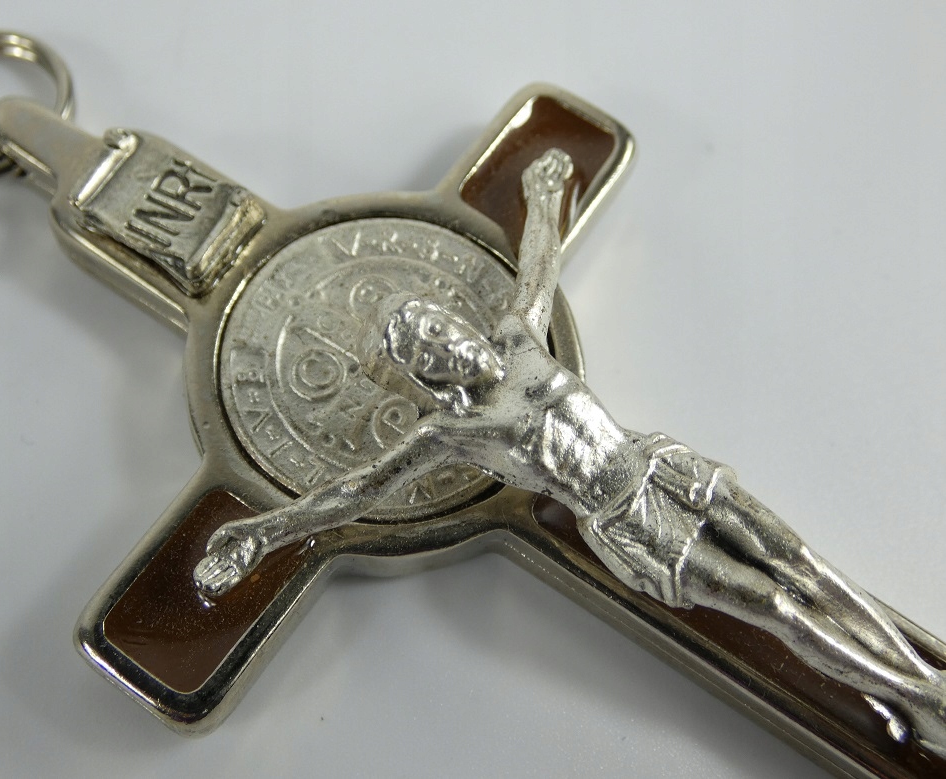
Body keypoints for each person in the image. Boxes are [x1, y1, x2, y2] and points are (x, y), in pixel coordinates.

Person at [195, 149, 946, 755]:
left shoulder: (521, 335)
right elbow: (354, 492)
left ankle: (918, 681)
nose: (442, 336)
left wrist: (544, 192)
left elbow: (539, 262)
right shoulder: (451, 433)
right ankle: (917, 699)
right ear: (424, 376)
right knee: (774, 606)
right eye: (422, 346)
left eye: (434, 320)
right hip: (631, 521)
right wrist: (264, 531)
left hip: (663, 464)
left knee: (804, 565)